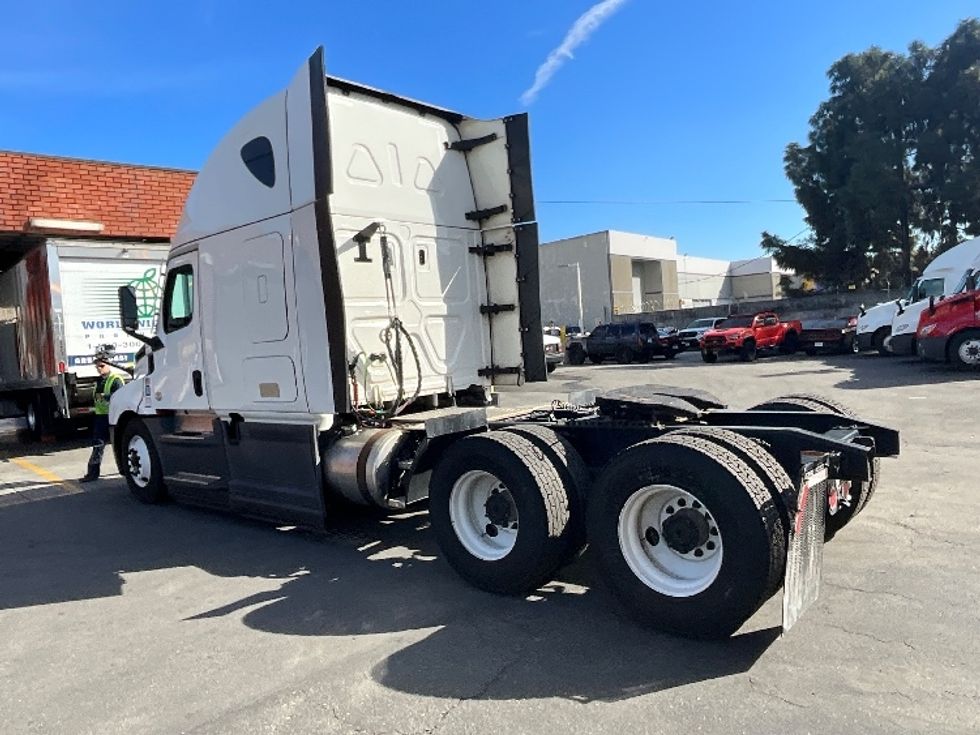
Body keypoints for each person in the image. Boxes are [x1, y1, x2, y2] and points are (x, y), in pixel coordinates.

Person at [79, 349, 125, 483]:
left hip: (113, 417)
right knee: (97, 445)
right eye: (97, 366)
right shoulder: (99, 381)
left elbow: (120, 398)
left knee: (120, 444)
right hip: (101, 417)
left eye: (101, 366)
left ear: (109, 365)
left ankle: (127, 470)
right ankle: (92, 473)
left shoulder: (116, 380)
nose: (99, 369)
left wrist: (105, 397)